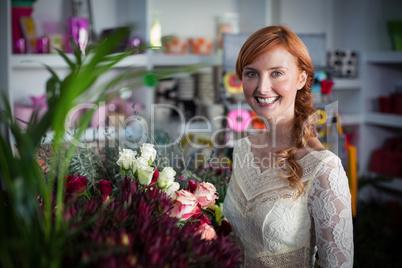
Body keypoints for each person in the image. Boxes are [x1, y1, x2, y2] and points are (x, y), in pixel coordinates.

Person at [222, 25, 354, 268]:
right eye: (252, 73)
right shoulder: (242, 149)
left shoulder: (324, 169)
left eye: (276, 73)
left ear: (301, 78)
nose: (262, 88)